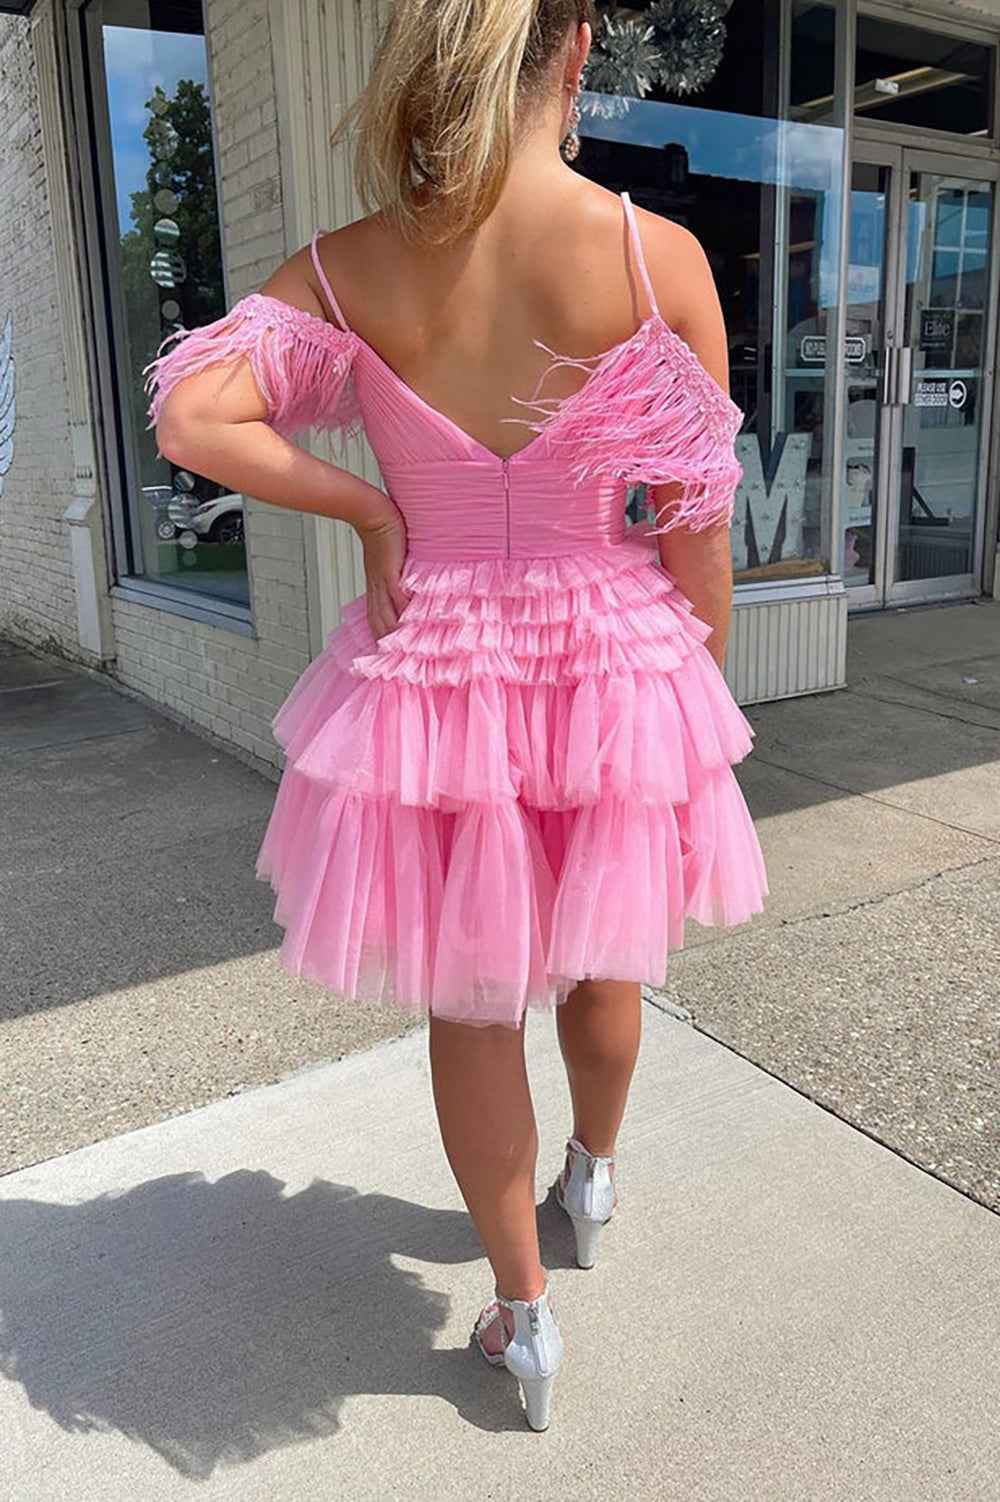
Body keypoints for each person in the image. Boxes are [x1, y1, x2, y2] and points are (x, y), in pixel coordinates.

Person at [144, 0, 768, 1433]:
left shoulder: (352, 265)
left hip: (437, 670)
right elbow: (697, 531)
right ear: (577, 48)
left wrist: (372, 508)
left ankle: (525, 1318)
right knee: (605, 950)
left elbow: (191, 419)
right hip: (610, 655)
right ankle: (590, 1184)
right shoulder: (651, 257)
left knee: (473, 999)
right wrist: (696, 707)